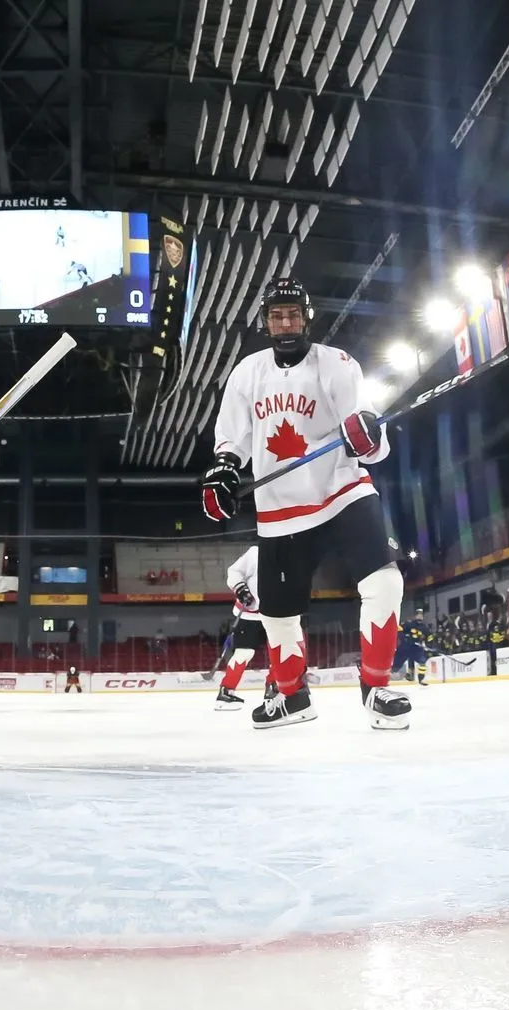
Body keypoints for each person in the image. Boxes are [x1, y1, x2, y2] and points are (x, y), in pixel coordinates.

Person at [202, 277, 411, 730]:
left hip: (342, 492)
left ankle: (376, 688)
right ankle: (293, 699)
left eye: (294, 314)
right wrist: (222, 472)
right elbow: (231, 441)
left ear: (308, 316)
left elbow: (368, 432)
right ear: (265, 323)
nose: (286, 323)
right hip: (279, 510)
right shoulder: (246, 374)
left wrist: (367, 437)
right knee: (277, 616)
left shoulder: (337, 364)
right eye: (277, 317)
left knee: (385, 582)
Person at [214, 545, 269, 710]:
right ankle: (226, 692)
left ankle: (274, 689)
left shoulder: (291, 554)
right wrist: (241, 589)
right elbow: (234, 572)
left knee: (279, 651)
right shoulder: (256, 552)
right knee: (245, 652)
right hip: (249, 614)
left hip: (275, 613)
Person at [396, 608, 431, 685]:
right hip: (409, 647)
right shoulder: (409, 624)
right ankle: (410, 674)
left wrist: (429, 645)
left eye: (421, 614)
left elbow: (429, 637)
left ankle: (420, 679)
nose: (420, 616)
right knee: (408, 659)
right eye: (418, 614)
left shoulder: (424, 627)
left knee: (422, 662)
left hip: (418, 648)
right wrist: (404, 638)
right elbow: (400, 629)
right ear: (415, 616)